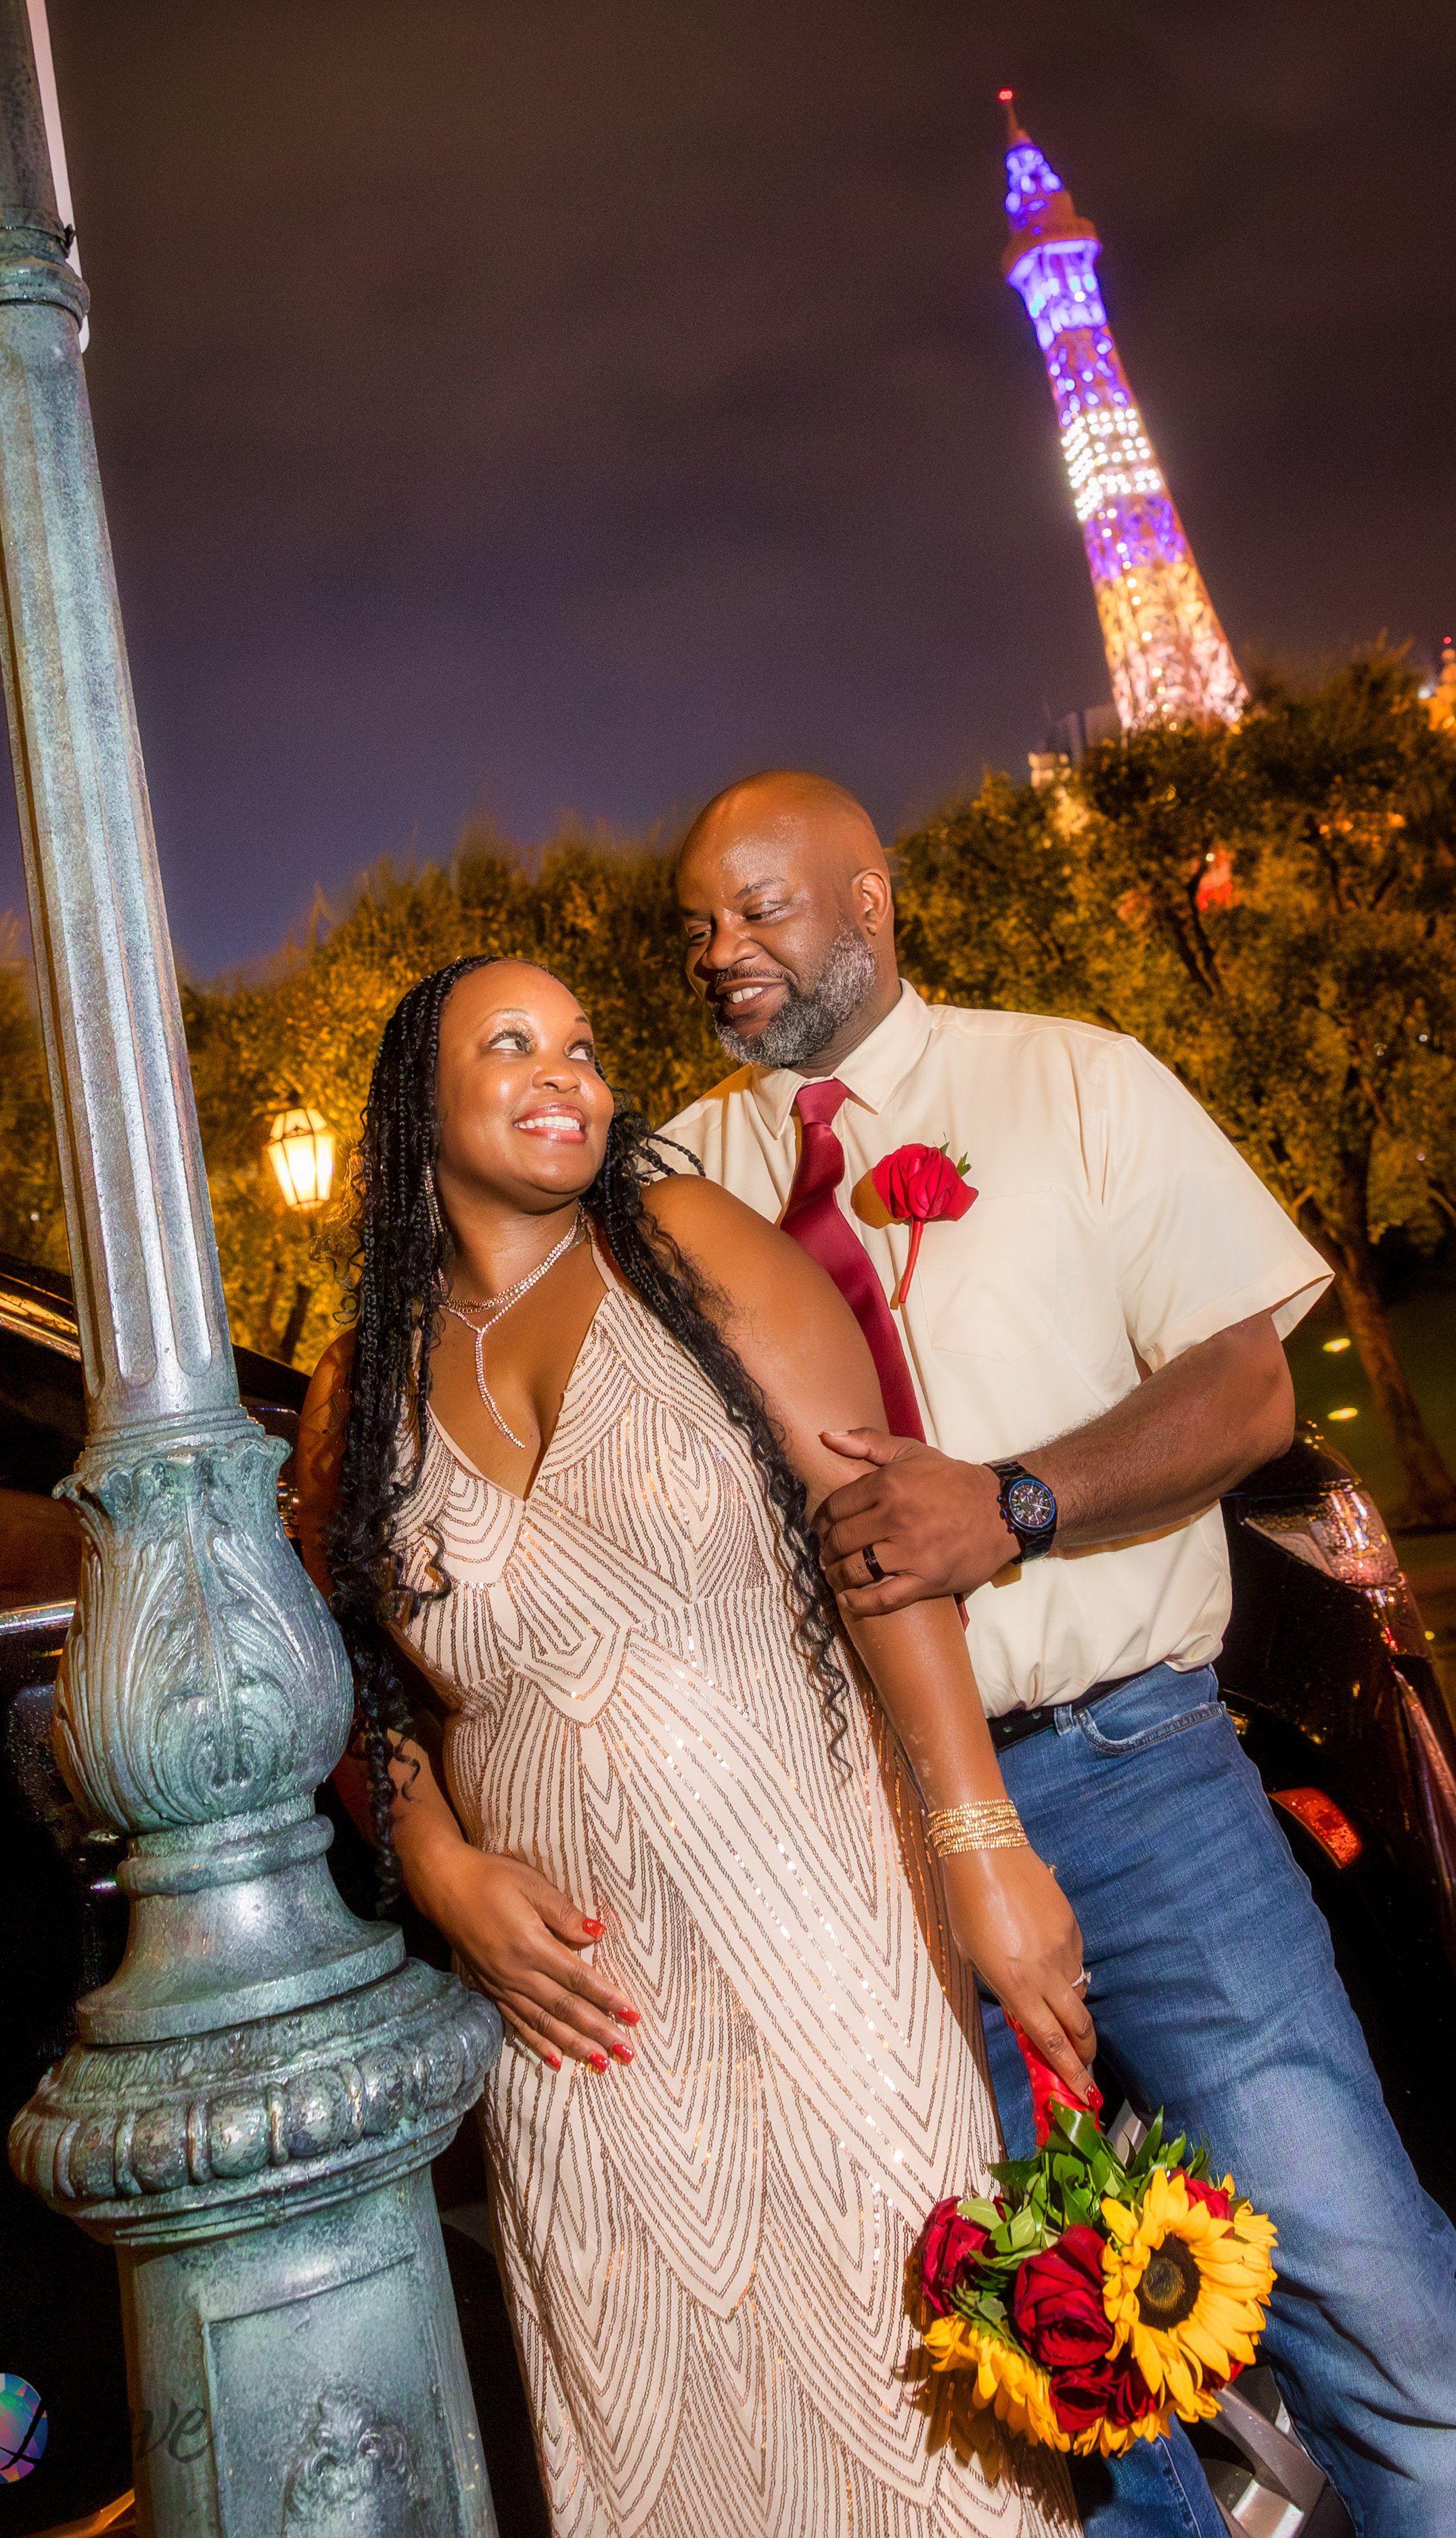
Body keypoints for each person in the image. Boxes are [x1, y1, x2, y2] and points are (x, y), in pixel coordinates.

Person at [665, 767, 1456, 2538]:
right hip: (860, 1849)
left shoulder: (1074, 1079)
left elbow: (1244, 1388)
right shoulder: (677, 1179)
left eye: (761, 907)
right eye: (698, 922)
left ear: (867, 900)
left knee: (1367, 2282)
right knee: (1052, 2378)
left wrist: (1013, 1500)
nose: (721, 948)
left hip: (1135, 1770)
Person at [298, 953, 1079, 2538]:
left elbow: (883, 1547)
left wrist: (982, 1857)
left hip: (825, 1950)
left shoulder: (688, 1244)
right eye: (508, 1043)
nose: (561, 1073)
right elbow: (334, 1689)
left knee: (928, 2430)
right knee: (664, 2451)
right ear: (414, 1106)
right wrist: (439, 1868)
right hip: (581, 2031)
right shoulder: (354, 1390)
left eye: (581, 1046)